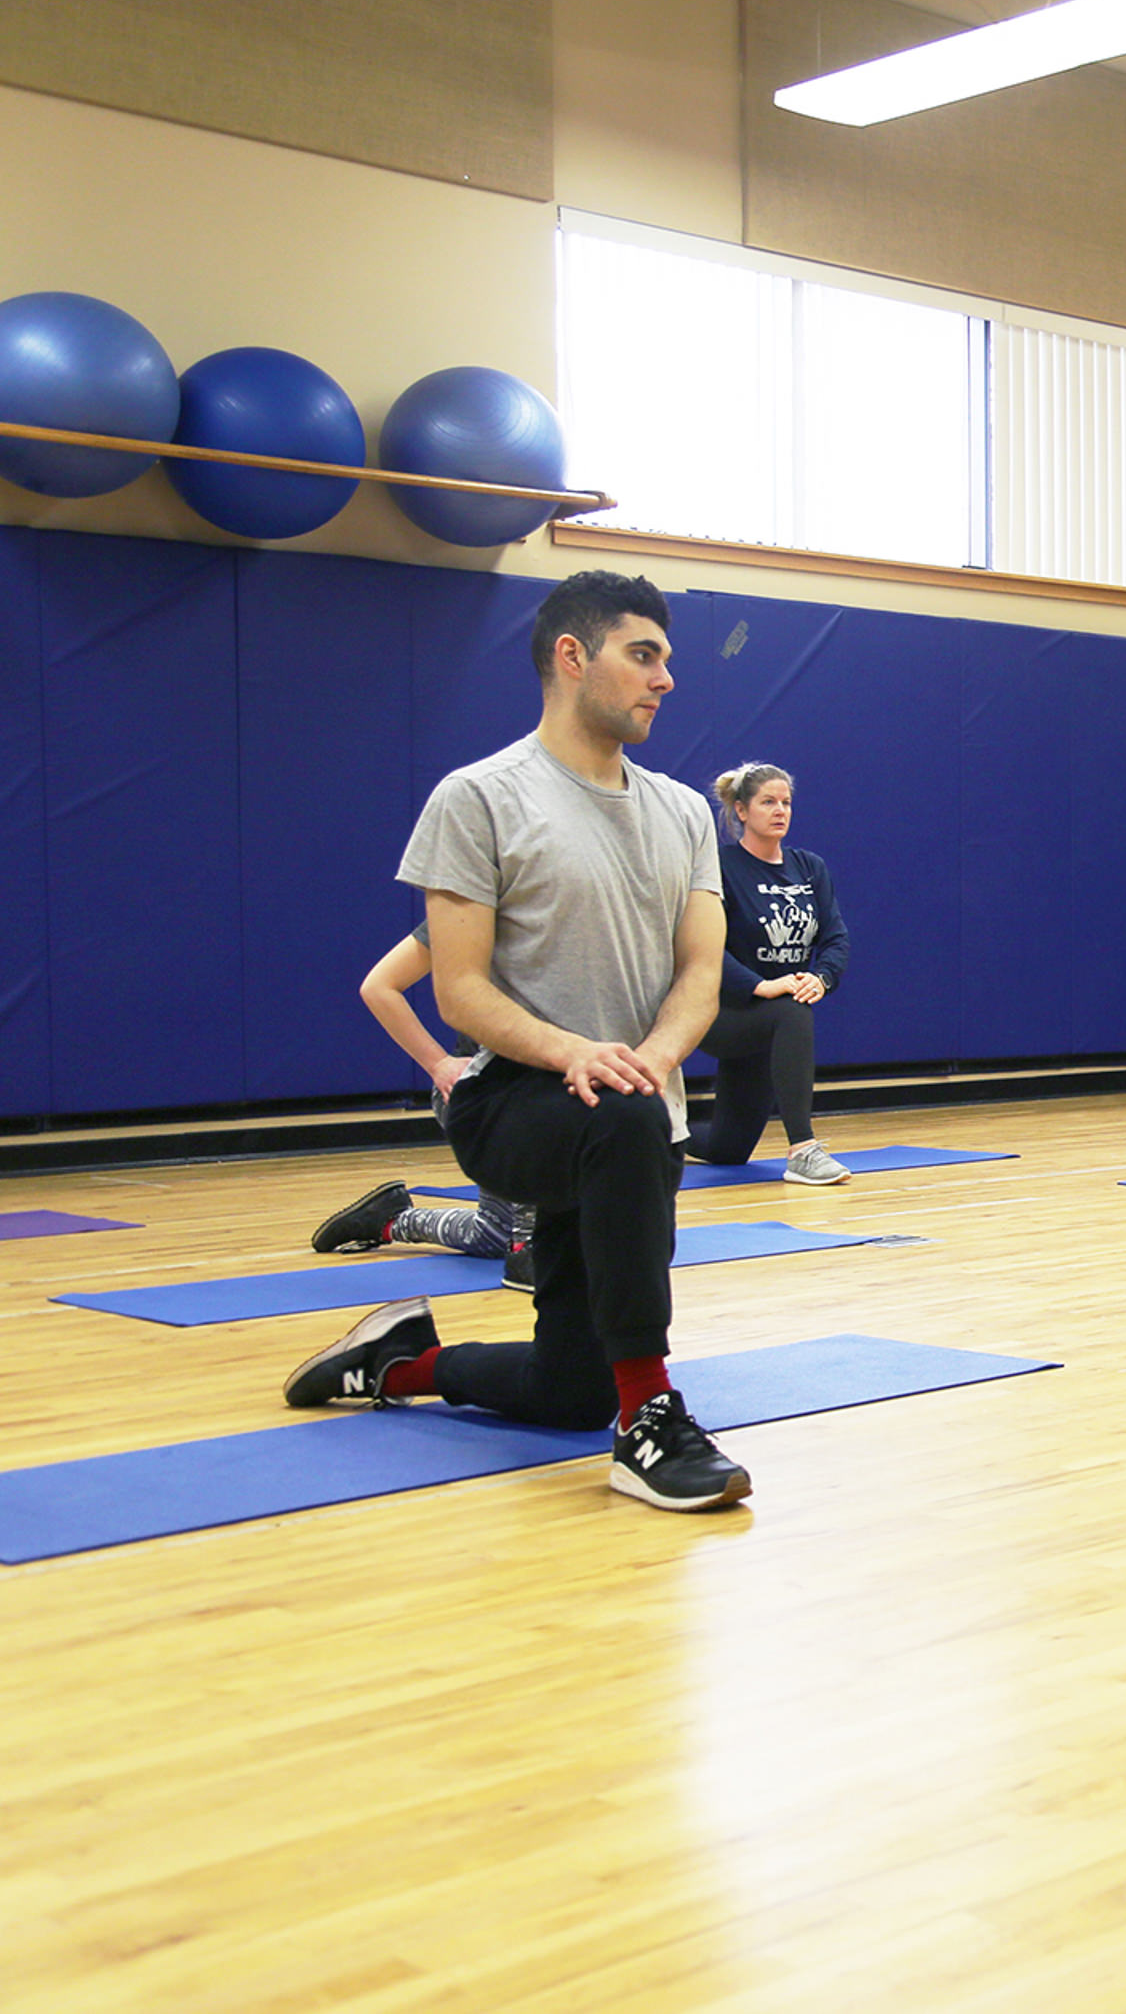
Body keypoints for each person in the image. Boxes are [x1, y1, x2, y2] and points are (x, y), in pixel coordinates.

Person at [281, 569, 753, 1512]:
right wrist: (574, 1052)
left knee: (573, 1388)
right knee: (620, 1119)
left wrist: (655, 1058)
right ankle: (651, 1421)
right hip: (515, 1101)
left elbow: (701, 972)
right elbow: (459, 991)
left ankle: (401, 1364)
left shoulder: (685, 811)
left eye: (667, 659)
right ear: (572, 657)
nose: (665, 679)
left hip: (628, 1111)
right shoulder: (480, 798)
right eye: (644, 655)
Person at [308, 927, 531, 1287]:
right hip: (491, 1099)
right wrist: (438, 1063)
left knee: (492, 1236)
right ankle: (529, 1244)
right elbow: (379, 986)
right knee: (529, 1100)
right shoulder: (477, 909)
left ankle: (391, 1220)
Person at [690, 761, 851, 1182]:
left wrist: (822, 977)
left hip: (772, 1021)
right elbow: (704, 946)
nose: (780, 810)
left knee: (728, 1149)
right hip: (723, 1014)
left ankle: (660, 1129)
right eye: (768, 802)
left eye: (786, 802)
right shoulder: (719, 865)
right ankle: (803, 1150)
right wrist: (760, 985)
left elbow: (835, 937)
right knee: (793, 1011)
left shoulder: (809, 867)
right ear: (741, 811)